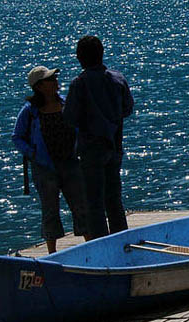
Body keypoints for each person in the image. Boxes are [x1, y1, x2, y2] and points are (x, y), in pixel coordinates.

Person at [12, 66, 89, 253]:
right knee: (50, 211)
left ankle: (90, 246)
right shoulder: (30, 111)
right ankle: (51, 253)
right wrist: (33, 154)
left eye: (55, 77)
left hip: (71, 163)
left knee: (81, 208)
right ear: (39, 86)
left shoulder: (65, 103)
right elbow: (17, 137)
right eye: (50, 79)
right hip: (45, 167)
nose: (55, 81)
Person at [63, 35, 134, 239]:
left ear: (81, 58)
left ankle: (100, 243)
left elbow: (70, 117)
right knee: (114, 200)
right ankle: (121, 240)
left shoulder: (80, 83)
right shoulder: (118, 79)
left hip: (91, 149)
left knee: (94, 203)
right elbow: (127, 108)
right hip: (114, 146)